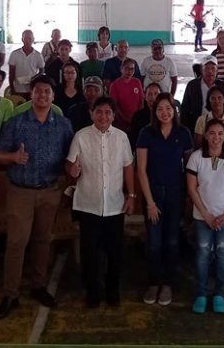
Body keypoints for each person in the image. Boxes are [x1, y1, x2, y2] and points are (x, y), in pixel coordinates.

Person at [0, 76, 74, 320]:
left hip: (50, 191)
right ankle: (10, 294)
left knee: (42, 241)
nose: (43, 96)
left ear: (53, 96)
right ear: (31, 94)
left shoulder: (63, 125)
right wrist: (13, 158)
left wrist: (72, 178)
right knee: (17, 242)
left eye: (47, 92)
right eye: (38, 91)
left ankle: (38, 286)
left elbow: (70, 157)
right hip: (20, 192)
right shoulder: (17, 123)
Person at [66, 96, 136, 307]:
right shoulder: (81, 136)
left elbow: (128, 167)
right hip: (88, 204)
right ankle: (92, 291)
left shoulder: (122, 137)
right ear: (92, 114)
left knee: (115, 252)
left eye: (107, 112)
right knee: (90, 253)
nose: (103, 116)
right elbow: (70, 165)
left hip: (115, 204)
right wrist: (73, 170)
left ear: (113, 115)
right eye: (99, 112)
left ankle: (113, 290)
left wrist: (131, 195)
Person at [137, 93, 194, 306]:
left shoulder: (183, 133)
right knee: (153, 243)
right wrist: (150, 203)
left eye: (168, 108)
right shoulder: (146, 133)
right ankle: (153, 282)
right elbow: (141, 170)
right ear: (154, 111)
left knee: (171, 241)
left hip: (175, 194)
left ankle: (168, 283)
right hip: (153, 195)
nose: (165, 112)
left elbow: (190, 168)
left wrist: (188, 197)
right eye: (160, 108)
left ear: (174, 110)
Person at [186, 118, 224, 314]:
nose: (216, 137)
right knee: (202, 254)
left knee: (222, 254)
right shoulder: (196, 157)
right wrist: (206, 215)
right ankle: (201, 293)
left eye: (220, 133)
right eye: (212, 133)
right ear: (206, 135)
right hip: (203, 218)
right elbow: (192, 189)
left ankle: (219, 294)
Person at [180, 57, 224, 131]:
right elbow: (185, 108)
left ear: (217, 71)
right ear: (201, 70)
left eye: (213, 68)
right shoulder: (192, 85)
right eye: (206, 68)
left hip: (220, 126)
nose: (210, 72)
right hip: (197, 126)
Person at [110, 58, 144, 133]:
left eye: (132, 69)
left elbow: (141, 101)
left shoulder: (137, 82)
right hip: (121, 122)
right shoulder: (115, 85)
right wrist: (125, 119)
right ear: (121, 69)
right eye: (127, 68)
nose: (129, 71)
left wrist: (137, 117)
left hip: (137, 120)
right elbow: (114, 105)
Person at [8, 29, 45, 99]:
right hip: (18, 89)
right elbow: (11, 74)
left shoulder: (38, 55)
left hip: (33, 90)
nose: (28, 40)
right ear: (22, 39)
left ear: (33, 39)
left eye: (30, 38)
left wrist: (34, 78)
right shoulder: (14, 54)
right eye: (26, 38)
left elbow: (42, 71)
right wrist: (12, 89)